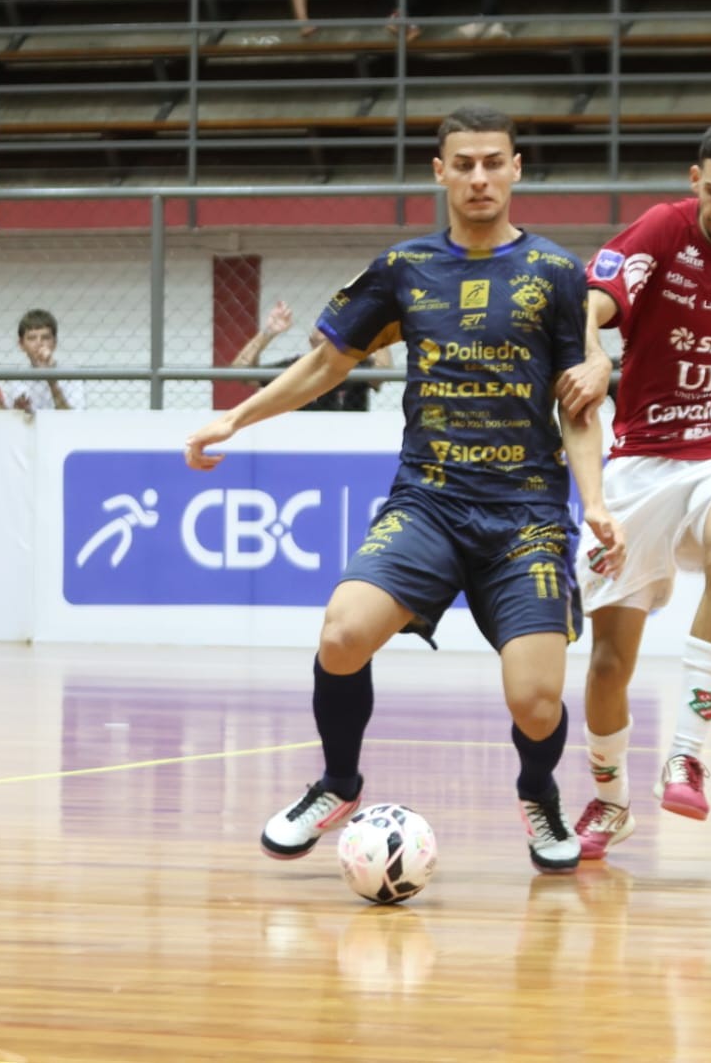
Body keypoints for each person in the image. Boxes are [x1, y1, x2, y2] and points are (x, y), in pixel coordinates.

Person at [183, 105, 625, 874]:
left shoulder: (557, 273)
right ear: (440, 172)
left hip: (525, 515)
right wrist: (238, 416)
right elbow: (326, 362)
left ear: (517, 168)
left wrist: (593, 504)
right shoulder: (404, 268)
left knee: (537, 701)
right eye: (464, 163)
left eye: (494, 161)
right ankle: (338, 783)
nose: (479, 176)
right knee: (341, 633)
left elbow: (577, 405)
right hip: (428, 501)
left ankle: (537, 790)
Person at [554, 117, 711, 857]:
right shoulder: (663, 230)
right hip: (642, 458)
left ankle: (687, 753)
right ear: (694, 178)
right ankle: (608, 801)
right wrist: (596, 354)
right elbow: (589, 295)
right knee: (608, 660)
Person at [230, 300, 393, 411]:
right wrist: (268, 332)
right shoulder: (295, 365)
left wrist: (374, 326)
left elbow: (383, 372)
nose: (326, 328)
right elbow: (240, 372)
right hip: (302, 439)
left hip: (348, 439)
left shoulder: (354, 363)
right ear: (310, 339)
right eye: (322, 323)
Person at [0, 309, 85, 412]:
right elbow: (4, 420)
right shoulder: (13, 380)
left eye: (45, 337)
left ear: (54, 343)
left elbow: (74, 421)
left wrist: (52, 382)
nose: (39, 343)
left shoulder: (72, 376)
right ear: (21, 344)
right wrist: (17, 410)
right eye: (31, 338)